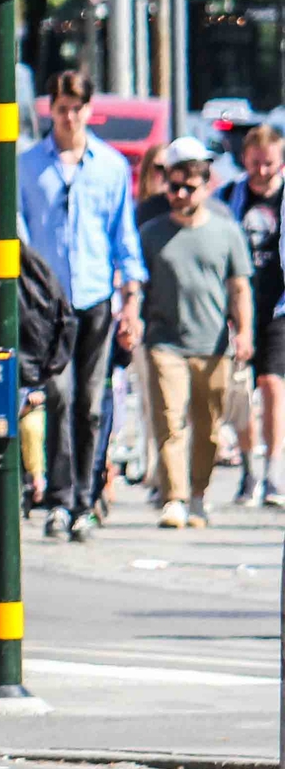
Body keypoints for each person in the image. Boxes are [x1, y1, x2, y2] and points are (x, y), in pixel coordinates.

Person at [19, 71, 147, 542]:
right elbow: (19, 231)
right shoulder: (28, 164)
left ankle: (86, 498)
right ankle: (57, 497)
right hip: (47, 302)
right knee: (56, 396)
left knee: (92, 404)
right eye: (61, 106)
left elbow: (123, 236)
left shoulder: (110, 166)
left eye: (77, 107)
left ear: (90, 111)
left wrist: (131, 298)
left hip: (96, 297)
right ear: (50, 109)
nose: (69, 116)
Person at [129, 136, 254, 528]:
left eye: (189, 187)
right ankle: (175, 498)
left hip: (213, 342)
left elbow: (239, 286)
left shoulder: (225, 230)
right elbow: (135, 284)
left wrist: (245, 332)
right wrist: (132, 316)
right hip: (164, 342)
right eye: (174, 186)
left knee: (209, 427)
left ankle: (198, 494)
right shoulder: (150, 232)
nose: (180, 194)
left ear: (206, 186)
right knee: (169, 422)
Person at [216, 123, 284, 505]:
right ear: (244, 160)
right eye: (256, 163)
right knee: (240, 392)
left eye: (269, 164)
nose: (262, 171)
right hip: (238, 309)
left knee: (273, 385)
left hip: (278, 306)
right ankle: (249, 468)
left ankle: (274, 469)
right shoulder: (229, 198)